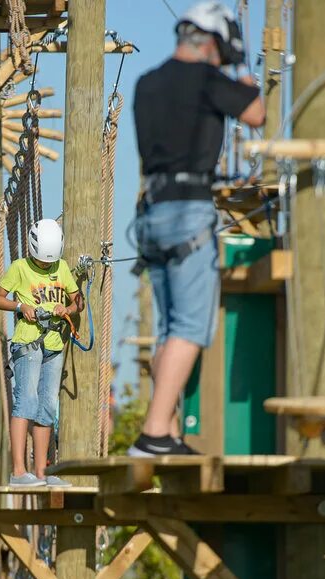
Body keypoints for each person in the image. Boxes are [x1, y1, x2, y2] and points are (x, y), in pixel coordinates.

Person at [129, 1, 265, 456]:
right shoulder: (209, 81)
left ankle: (165, 430)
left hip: (152, 210)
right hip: (188, 211)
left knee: (171, 327)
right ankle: (152, 433)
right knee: (189, 327)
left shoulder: (147, 84)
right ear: (210, 42)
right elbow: (256, 113)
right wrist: (241, 66)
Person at [0, 218, 81, 487]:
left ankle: (41, 473)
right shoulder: (19, 268)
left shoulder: (61, 267)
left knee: (46, 408)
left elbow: (78, 301)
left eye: (47, 262)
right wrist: (19, 307)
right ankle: (19, 471)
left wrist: (68, 309)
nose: (44, 265)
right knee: (26, 402)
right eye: (41, 261)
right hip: (28, 344)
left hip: (54, 344)